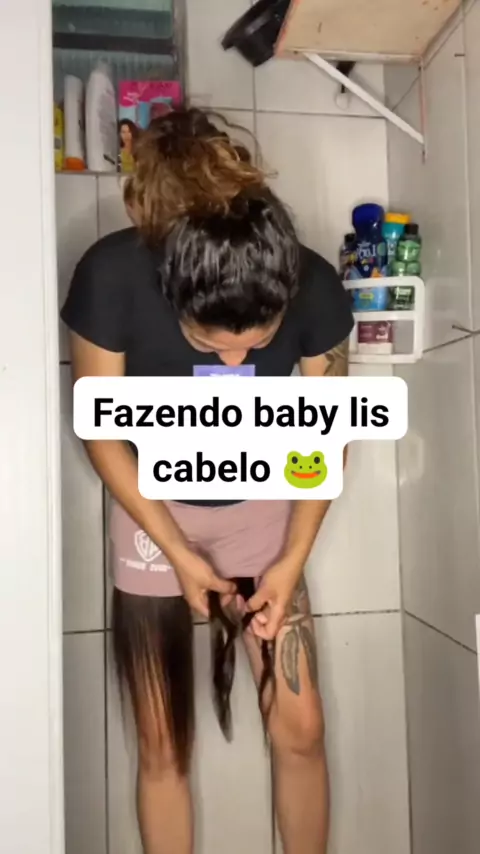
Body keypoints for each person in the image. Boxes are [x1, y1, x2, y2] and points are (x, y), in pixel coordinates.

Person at [60, 107, 354, 854]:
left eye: (258, 343)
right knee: (161, 743)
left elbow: (326, 433)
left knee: (301, 725)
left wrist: (290, 559)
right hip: (152, 502)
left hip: (263, 501)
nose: (236, 365)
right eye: (210, 344)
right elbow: (99, 430)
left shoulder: (314, 284)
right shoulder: (113, 274)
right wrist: (177, 551)